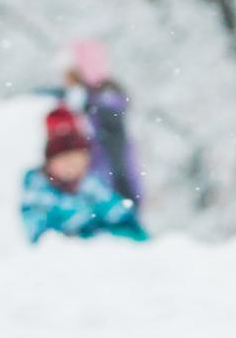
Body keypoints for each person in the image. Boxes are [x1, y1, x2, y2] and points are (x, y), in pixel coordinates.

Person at [19, 106, 149, 245]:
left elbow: (122, 217)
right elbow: (40, 235)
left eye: (77, 162)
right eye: (64, 161)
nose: (71, 168)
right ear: (50, 164)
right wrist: (82, 226)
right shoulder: (38, 192)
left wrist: (113, 234)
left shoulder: (93, 187)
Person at [56, 40, 144, 209]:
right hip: (106, 188)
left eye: (69, 76)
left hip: (111, 191)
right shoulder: (94, 103)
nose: (65, 82)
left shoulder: (103, 105)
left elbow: (115, 158)